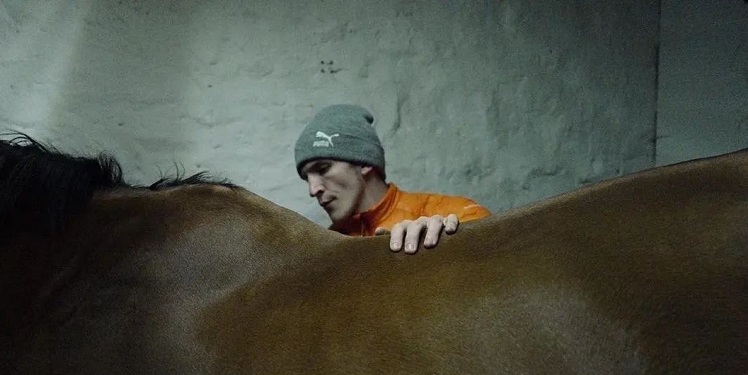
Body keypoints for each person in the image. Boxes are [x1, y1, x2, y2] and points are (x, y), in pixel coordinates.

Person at [294, 104, 491, 254]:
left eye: (323, 168)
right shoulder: (327, 248)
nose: (313, 190)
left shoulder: (459, 214)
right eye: (306, 178)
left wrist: (444, 246)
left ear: (363, 163)